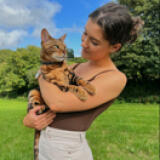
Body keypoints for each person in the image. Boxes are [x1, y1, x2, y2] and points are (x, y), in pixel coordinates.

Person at [23, 2, 144, 160]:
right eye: (84, 33)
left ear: (114, 47)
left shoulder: (114, 78)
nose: (83, 43)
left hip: (67, 151)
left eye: (94, 42)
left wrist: (43, 69)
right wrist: (30, 119)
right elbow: (43, 98)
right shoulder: (74, 66)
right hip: (46, 143)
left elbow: (57, 103)